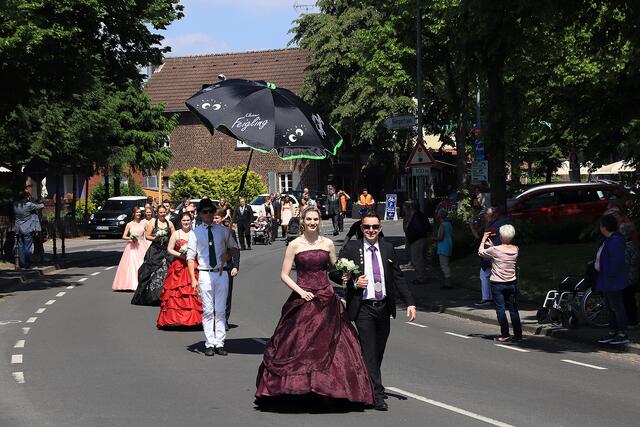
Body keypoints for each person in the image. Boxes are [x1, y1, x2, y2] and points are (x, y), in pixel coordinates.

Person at [255, 206, 374, 406]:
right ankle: (297, 389)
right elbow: (284, 274)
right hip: (304, 297)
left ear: (319, 221)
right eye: (309, 219)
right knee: (298, 343)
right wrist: (301, 292)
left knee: (334, 345)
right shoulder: (294, 244)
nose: (312, 222)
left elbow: (334, 268)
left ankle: (329, 388)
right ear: (303, 221)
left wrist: (345, 275)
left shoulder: (327, 243)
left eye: (316, 219)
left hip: (326, 297)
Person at [332, 213, 416, 411]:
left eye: (375, 227)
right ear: (361, 229)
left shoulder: (387, 248)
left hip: (383, 307)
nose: (371, 230)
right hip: (363, 308)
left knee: (378, 351)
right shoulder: (352, 248)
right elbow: (334, 272)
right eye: (367, 227)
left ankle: (363, 383)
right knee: (369, 351)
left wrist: (410, 303)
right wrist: (352, 281)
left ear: (380, 228)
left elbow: (398, 277)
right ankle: (377, 395)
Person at [187, 199, 239, 356]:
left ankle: (220, 342)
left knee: (220, 310)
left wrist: (228, 254)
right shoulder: (195, 233)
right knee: (208, 310)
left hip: (221, 272)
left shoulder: (223, 230)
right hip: (204, 273)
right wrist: (193, 278)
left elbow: (235, 248)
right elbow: (190, 257)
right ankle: (209, 343)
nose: (208, 214)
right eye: (205, 212)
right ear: (200, 214)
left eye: (211, 211)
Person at [156, 212, 203, 328]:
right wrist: (181, 255)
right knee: (175, 292)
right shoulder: (176, 234)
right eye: (184, 221)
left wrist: (193, 255)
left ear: (191, 221)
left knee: (194, 290)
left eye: (188, 220)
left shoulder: (195, 233)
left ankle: (195, 319)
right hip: (179, 265)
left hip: (193, 264)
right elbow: (169, 249)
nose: (186, 222)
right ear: (180, 222)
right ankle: (174, 318)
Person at [478, 224, 522, 342]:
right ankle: (518, 335)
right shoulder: (515, 249)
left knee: (500, 309)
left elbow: (481, 252)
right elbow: (502, 252)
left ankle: (505, 333)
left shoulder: (495, 250)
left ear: (501, 237)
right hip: (511, 282)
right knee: (513, 309)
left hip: (497, 283)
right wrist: (494, 247)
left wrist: (483, 239)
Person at [595, 215, 630, 345]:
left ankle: (622, 333)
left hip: (612, 281)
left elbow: (616, 262)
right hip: (607, 280)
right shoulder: (610, 240)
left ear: (604, 227)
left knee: (617, 307)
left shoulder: (614, 241)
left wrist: (609, 275)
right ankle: (613, 331)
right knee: (611, 307)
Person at [131, 205, 175, 306]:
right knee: (152, 272)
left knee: (167, 270)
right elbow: (147, 236)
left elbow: (174, 236)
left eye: (164, 212)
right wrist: (155, 238)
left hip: (166, 250)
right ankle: (153, 296)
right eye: (161, 212)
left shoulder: (170, 223)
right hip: (155, 250)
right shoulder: (152, 223)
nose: (163, 214)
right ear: (157, 213)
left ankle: (166, 295)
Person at [112, 207, 149, 291]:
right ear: (133, 214)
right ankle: (130, 283)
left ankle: (142, 283)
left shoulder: (144, 224)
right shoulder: (129, 224)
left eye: (139, 212)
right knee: (131, 264)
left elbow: (146, 236)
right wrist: (131, 238)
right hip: (131, 247)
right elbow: (124, 236)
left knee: (141, 263)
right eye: (137, 212)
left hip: (141, 245)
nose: (138, 214)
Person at [216, 212, 240, 331]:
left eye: (217, 218)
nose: (215, 220)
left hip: (227, 268)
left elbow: (236, 250)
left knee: (226, 295)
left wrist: (236, 266)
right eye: (213, 218)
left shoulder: (230, 232)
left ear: (221, 219)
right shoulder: (206, 232)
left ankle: (224, 319)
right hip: (211, 269)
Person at [13, 191, 44, 269]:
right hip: (27, 228)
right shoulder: (29, 205)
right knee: (28, 247)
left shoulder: (15, 204)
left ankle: (22, 264)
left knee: (20, 247)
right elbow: (41, 206)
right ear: (25, 197)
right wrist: (40, 202)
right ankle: (28, 264)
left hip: (18, 228)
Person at [404, 204, 432, 285]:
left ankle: (421, 277)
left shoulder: (415, 217)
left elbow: (418, 228)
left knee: (417, 259)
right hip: (421, 239)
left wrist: (413, 235)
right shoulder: (421, 215)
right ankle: (424, 275)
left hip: (417, 240)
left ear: (412, 209)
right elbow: (428, 227)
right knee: (422, 259)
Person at [620, 222, 639, 328]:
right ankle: (632, 320)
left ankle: (632, 321)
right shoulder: (634, 244)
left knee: (628, 300)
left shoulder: (627, 246)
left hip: (628, 277)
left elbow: (625, 263)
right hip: (633, 276)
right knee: (629, 299)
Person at [435, 209, 453, 289]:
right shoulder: (449, 224)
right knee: (446, 263)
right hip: (448, 244)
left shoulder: (442, 225)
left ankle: (448, 283)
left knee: (444, 264)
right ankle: (447, 281)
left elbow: (441, 237)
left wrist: (434, 239)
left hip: (443, 246)